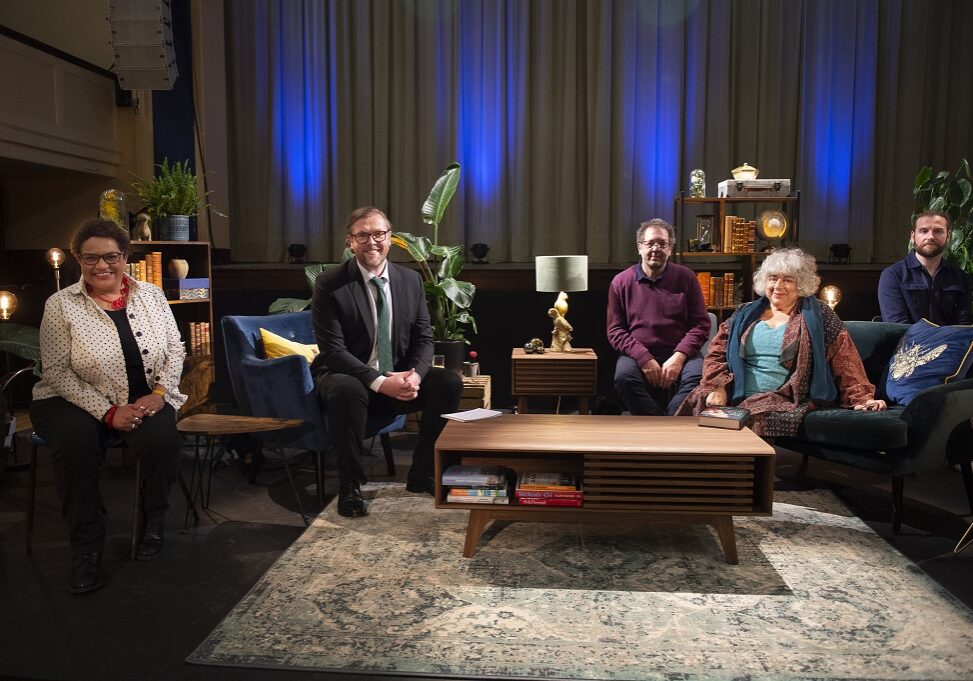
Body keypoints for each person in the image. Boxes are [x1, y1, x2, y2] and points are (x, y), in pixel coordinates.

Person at [30, 219, 186, 593]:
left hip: (143, 395)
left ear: (125, 257)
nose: (102, 266)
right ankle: (86, 548)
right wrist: (108, 411)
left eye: (111, 257)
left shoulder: (152, 295)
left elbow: (176, 349)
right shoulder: (60, 304)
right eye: (91, 258)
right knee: (75, 445)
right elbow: (56, 372)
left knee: (161, 441)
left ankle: (153, 521)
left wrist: (160, 393)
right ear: (78, 260)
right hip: (69, 398)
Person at [311, 206, 462, 518]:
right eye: (362, 235)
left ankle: (422, 474)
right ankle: (350, 485)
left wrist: (416, 377)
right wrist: (380, 382)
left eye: (379, 233)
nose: (372, 241)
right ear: (349, 242)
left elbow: (423, 339)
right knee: (347, 388)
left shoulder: (410, 280)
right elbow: (333, 351)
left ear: (390, 238)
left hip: (397, 375)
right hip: (348, 376)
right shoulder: (330, 283)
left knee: (448, 382)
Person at [676, 248, 886, 436]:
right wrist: (718, 387)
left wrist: (862, 399)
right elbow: (717, 353)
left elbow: (845, 359)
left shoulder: (820, 315)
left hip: (785, 398)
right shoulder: (745, 313)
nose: (778, 286)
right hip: (734, 392)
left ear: (801, 284)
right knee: (691, 405)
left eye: (788, 280)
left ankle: (744, 475)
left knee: (749, 416)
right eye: (773, 278)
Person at [608, 218, 711, 415]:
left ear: (670, 249)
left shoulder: (687, 277)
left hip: (681, 352)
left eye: (662, 244)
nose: (656, 248)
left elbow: (700, 324)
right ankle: (655, 423)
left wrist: (679, 357)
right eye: (650, 243)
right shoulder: (621, 282)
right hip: (637, 353)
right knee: (623, 377)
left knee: (698, 378)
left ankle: (671, 424)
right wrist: (644, 357)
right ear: (639, 247)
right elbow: (615, 330)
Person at [878, 211, 972, 325]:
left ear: (948, 237)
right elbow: (897, 326)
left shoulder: (960, 278)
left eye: (938, 231)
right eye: (923, 231)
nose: (930, 237)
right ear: (913, 236)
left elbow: (962, 325)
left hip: (950, 342)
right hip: (908, 342)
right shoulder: (893, 275)